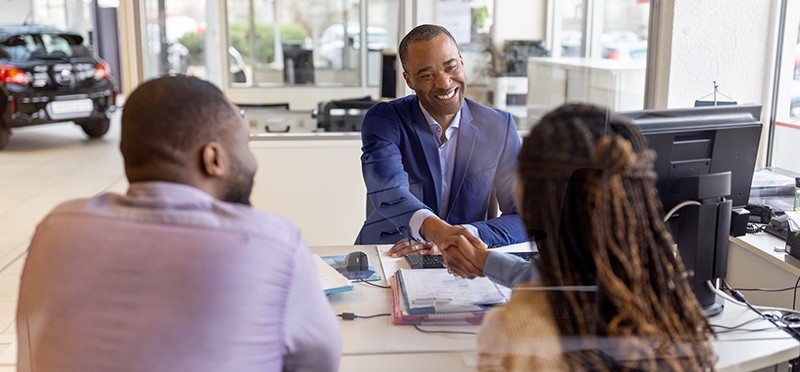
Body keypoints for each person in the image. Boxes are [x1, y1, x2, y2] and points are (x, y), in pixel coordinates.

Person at [16, 75, 341, 372]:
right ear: (214, 159)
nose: (252, 160)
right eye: (245, 144)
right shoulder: (272, 242)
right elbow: (319, 363)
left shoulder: (55, 229)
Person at [441, 103, 715, 370]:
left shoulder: (514, 332)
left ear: (534, 199)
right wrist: (484, 260)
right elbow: (558, 280)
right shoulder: (665, 302)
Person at [355, 24, 527, 254]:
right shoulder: (386, 119)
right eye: (427, 75)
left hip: (463, 257)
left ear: (461, 61)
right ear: (409, 80)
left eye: (451, 67)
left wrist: (465, 235)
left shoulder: (499, 127)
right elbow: (389, 189)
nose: (444, 83)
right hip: (391, 253)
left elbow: (523, 217)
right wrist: (435, 231)